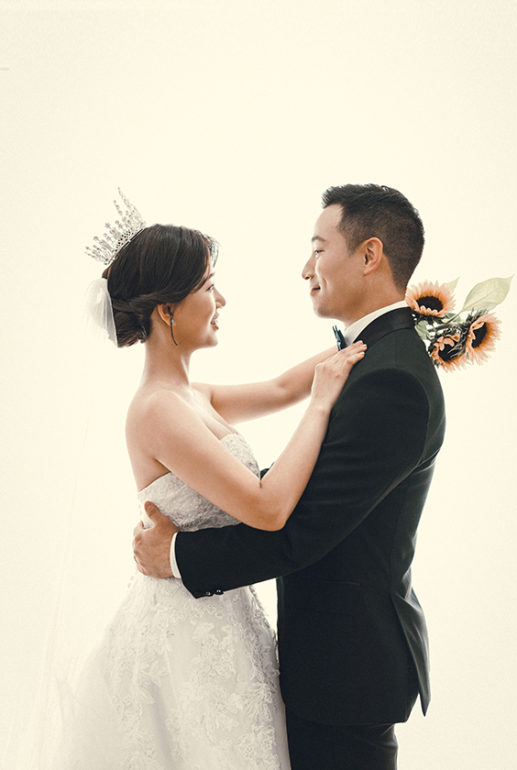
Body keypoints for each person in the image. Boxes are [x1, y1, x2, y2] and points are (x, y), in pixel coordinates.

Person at [134, 183, 446, 770]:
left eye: (318, 249)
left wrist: (175, 555)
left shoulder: (389, 377)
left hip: (343, 668)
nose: (305, 268)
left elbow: (294, 524)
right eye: (208, 286)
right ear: (166, 310)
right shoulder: (378, 361)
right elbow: (286, 489)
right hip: (283, 653)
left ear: (370, 255)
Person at [54, 211, 365, 769]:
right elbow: (267, 508)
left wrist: (381, 329)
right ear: (166, 310)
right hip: (187, 636)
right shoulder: (157, 409)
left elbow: (282, 387)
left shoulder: (191, 396)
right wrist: (321, 405)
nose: (222, 300)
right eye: (207, 287)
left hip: (223, 615)